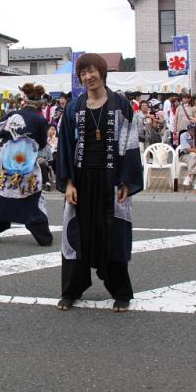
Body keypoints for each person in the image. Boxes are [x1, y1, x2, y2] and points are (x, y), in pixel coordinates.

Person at [56, 54, 144, 313]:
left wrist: (127, 181)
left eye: (92, 71)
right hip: (82, 180)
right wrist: (69, 183)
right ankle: (71, 290)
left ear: (102, 73)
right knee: (76, 235)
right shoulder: (73, 107)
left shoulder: (121, 105)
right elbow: (65, 146)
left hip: (111, 179)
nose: (88, 77)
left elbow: (130, 142)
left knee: (112, 234)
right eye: (83, 73)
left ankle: (121, 291)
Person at [0, 83, 53, 247]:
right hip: (27, 166)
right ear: (39, 102)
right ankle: (42, 235)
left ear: (24, 99)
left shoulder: (12, 116)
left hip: (7, 166)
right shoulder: (40, 120)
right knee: (29, 197)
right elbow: (42, 143)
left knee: (2, 194)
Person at [179, 123, 196, 190]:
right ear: (188, 130)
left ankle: (189, 176)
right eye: (192, 129)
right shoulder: (183, 135)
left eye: (195, 129)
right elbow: (188, 149)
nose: (194, 131)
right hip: (184, 155)